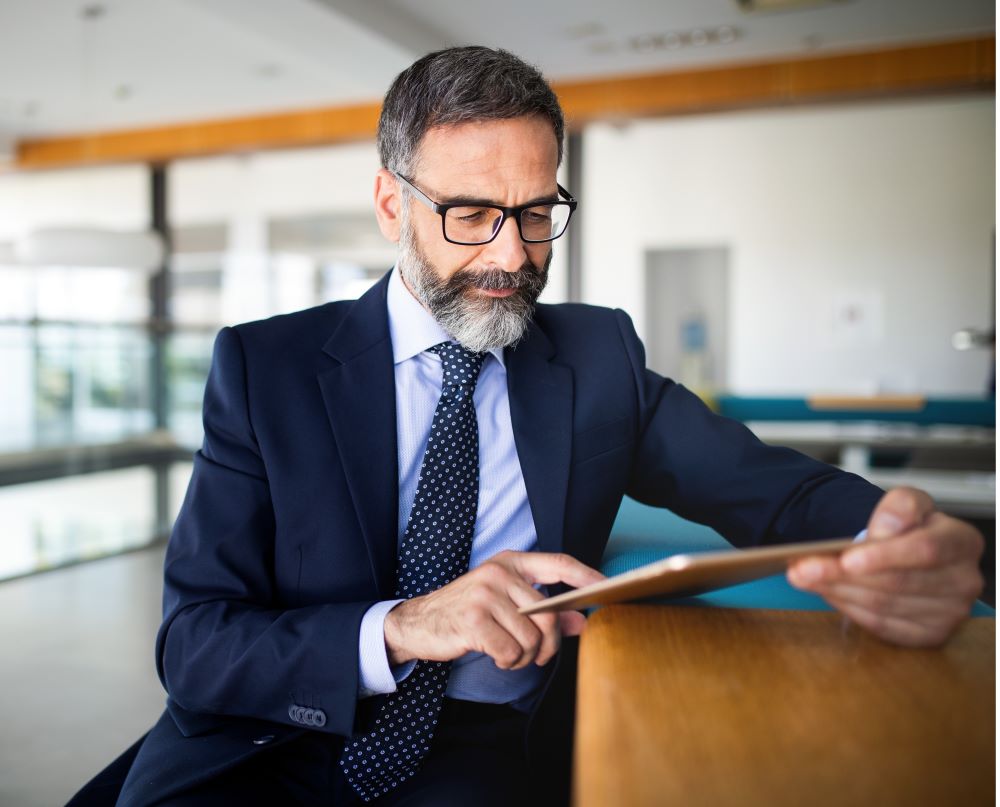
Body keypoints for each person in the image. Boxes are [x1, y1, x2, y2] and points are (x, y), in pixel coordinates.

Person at [94, 46, 982, 807]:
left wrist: (893, 536)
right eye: (471, 214)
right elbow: (195, 643)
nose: (511, 255)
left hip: (478, 747)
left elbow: (774, 490)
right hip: (261, 740)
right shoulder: (267, 369)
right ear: (391, 204)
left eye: (534, 214)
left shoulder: (595, 357)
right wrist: (403, 625)